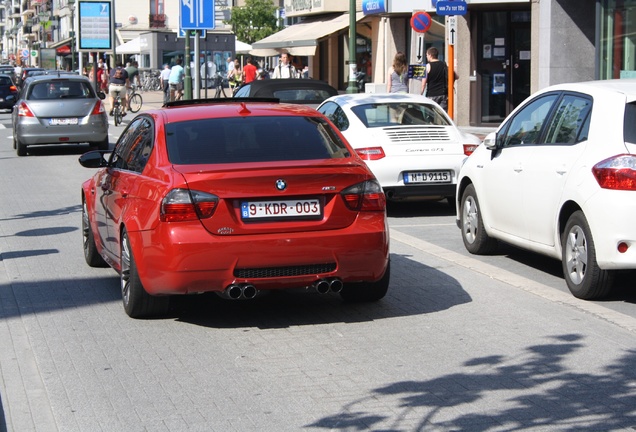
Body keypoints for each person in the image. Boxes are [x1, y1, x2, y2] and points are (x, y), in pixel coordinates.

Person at [420, 47, 449, 111]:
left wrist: (420, 94)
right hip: (443, 94)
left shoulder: (427, 66)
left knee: (431, 115)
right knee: (442, 115)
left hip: (431, 94)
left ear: (430, 55)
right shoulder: (444, 65)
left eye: (427, 55)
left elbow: (423, 84)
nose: (426, 57)